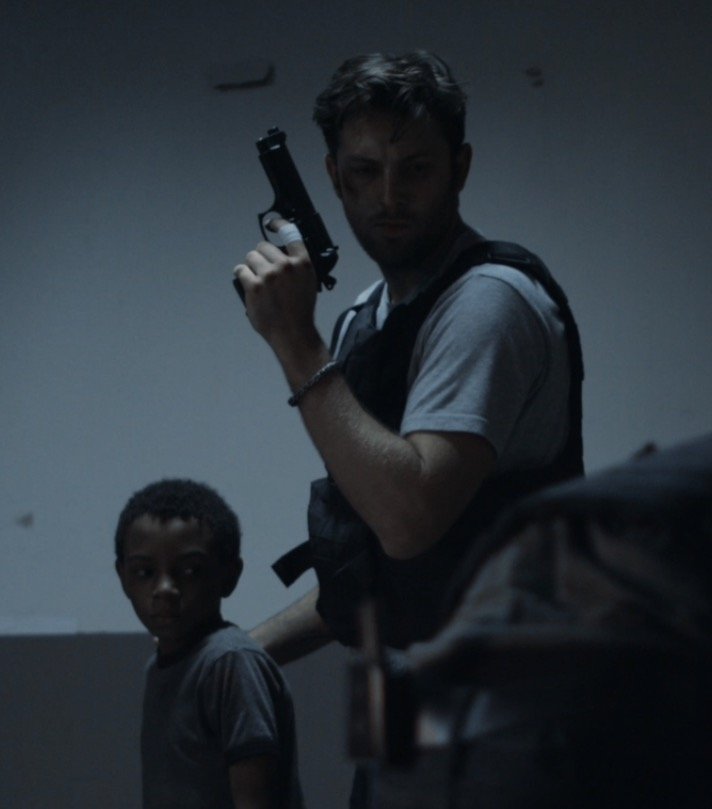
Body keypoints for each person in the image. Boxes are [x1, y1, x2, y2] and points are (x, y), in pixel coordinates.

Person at [235, 50, 583, 660]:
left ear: (459, 168)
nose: (389, 197)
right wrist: (239, 655)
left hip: (517, 691)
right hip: (422, 691)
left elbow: (407, 522)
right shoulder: (364, 318)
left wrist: (296, 341)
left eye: (415, 169)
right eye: (365, 171)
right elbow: (374, 570)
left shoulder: (488, 302)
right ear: (335, 176)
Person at [114, 478, 305, 809]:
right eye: (145, 572)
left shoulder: (230, 663)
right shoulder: (157, 667)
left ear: (229, 575)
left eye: (189, 571)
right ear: (123, 578)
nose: (165, 589)